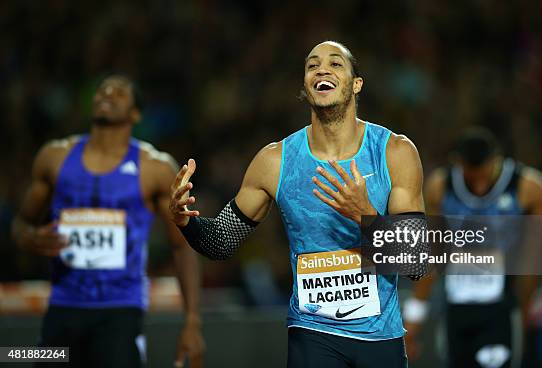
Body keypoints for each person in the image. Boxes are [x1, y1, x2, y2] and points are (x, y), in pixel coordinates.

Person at [169, 41, 427, 368]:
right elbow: (221, 241)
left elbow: (416, 263)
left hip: (380, 340)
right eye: (312, 65)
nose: (322, 69)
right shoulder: (275, 161)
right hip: (312, 336)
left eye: (335, 64)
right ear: (306, 85)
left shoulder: (394, 152)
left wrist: (366, 214)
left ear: (356, 84)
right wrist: (184, 221)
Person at [11, 75, 205, 368]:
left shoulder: (155, 167)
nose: (108, 94)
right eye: (102, 89)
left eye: (120, 92)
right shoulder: (54, 157)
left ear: (135, 114)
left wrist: (192, 320)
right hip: (63, 308)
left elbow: (182, 247)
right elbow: (20, 224)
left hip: (120, 313)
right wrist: (30, 237)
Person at [402, 128, 542, 368]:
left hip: (501, 309)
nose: (478, 186)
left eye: (484, 175)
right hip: (456, 310)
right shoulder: (441, 187)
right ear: (458, 164)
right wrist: (414, 315)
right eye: (471, 176)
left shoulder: (526, 186)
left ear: (495, 160)